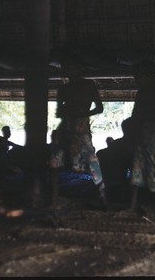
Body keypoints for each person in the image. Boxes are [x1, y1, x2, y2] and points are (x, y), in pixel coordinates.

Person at [48, 58, 107, 209]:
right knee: (55, 161)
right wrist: (69, 112)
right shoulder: (64, 89)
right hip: (66, 127)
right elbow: (58, 112)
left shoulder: (89, 85)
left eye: (73, 67)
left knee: (92, 161)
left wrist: (83, 112)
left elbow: (99, 108)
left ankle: (103, 198)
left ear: (80, 68)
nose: (70, 71)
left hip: (81, 128)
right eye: (68, 68)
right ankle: (54, 200)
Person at [125, 60, 155, 215]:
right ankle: (133, 205)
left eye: (138, 76)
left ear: (148, 76)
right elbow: (135, 115)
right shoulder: (142, 93)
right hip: (142, 135)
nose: (136, 80)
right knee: (137, 169)